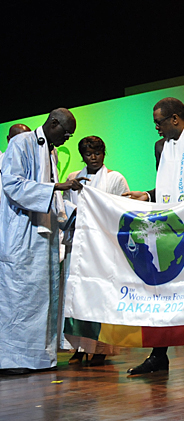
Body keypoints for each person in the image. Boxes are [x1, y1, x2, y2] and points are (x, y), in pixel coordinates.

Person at [122, 97, 184, 375]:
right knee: (160, 291)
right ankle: (159, 355)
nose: (156, 128)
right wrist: (146, 195)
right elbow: (167, 186)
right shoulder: (160, 146)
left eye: (159, 122)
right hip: (163, 226)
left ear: (175, 119)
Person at [0, 109, 83, 374]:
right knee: (20, 296)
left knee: (42, 298)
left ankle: (38, 357)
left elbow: (52, 193)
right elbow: (12, 184)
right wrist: (56, 188)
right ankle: (14, 360)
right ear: (53, 123)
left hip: (44, 235)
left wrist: (70, 213)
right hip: (22, 233)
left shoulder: (51, 151)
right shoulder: (21, 143)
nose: (67, 139)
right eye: (66, 133)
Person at [62, 136, 129, 366]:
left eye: (97, 152)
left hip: (102, 248)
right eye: (88, 153)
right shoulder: (73, 178)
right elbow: (65, 207)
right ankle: (79, 347)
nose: (93, 156)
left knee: (100, 297)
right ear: (82, 155)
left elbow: (122, 209)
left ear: (104, 153)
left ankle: (101, 348)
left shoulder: (115, 178)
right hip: (79, 246)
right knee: (77, 296)